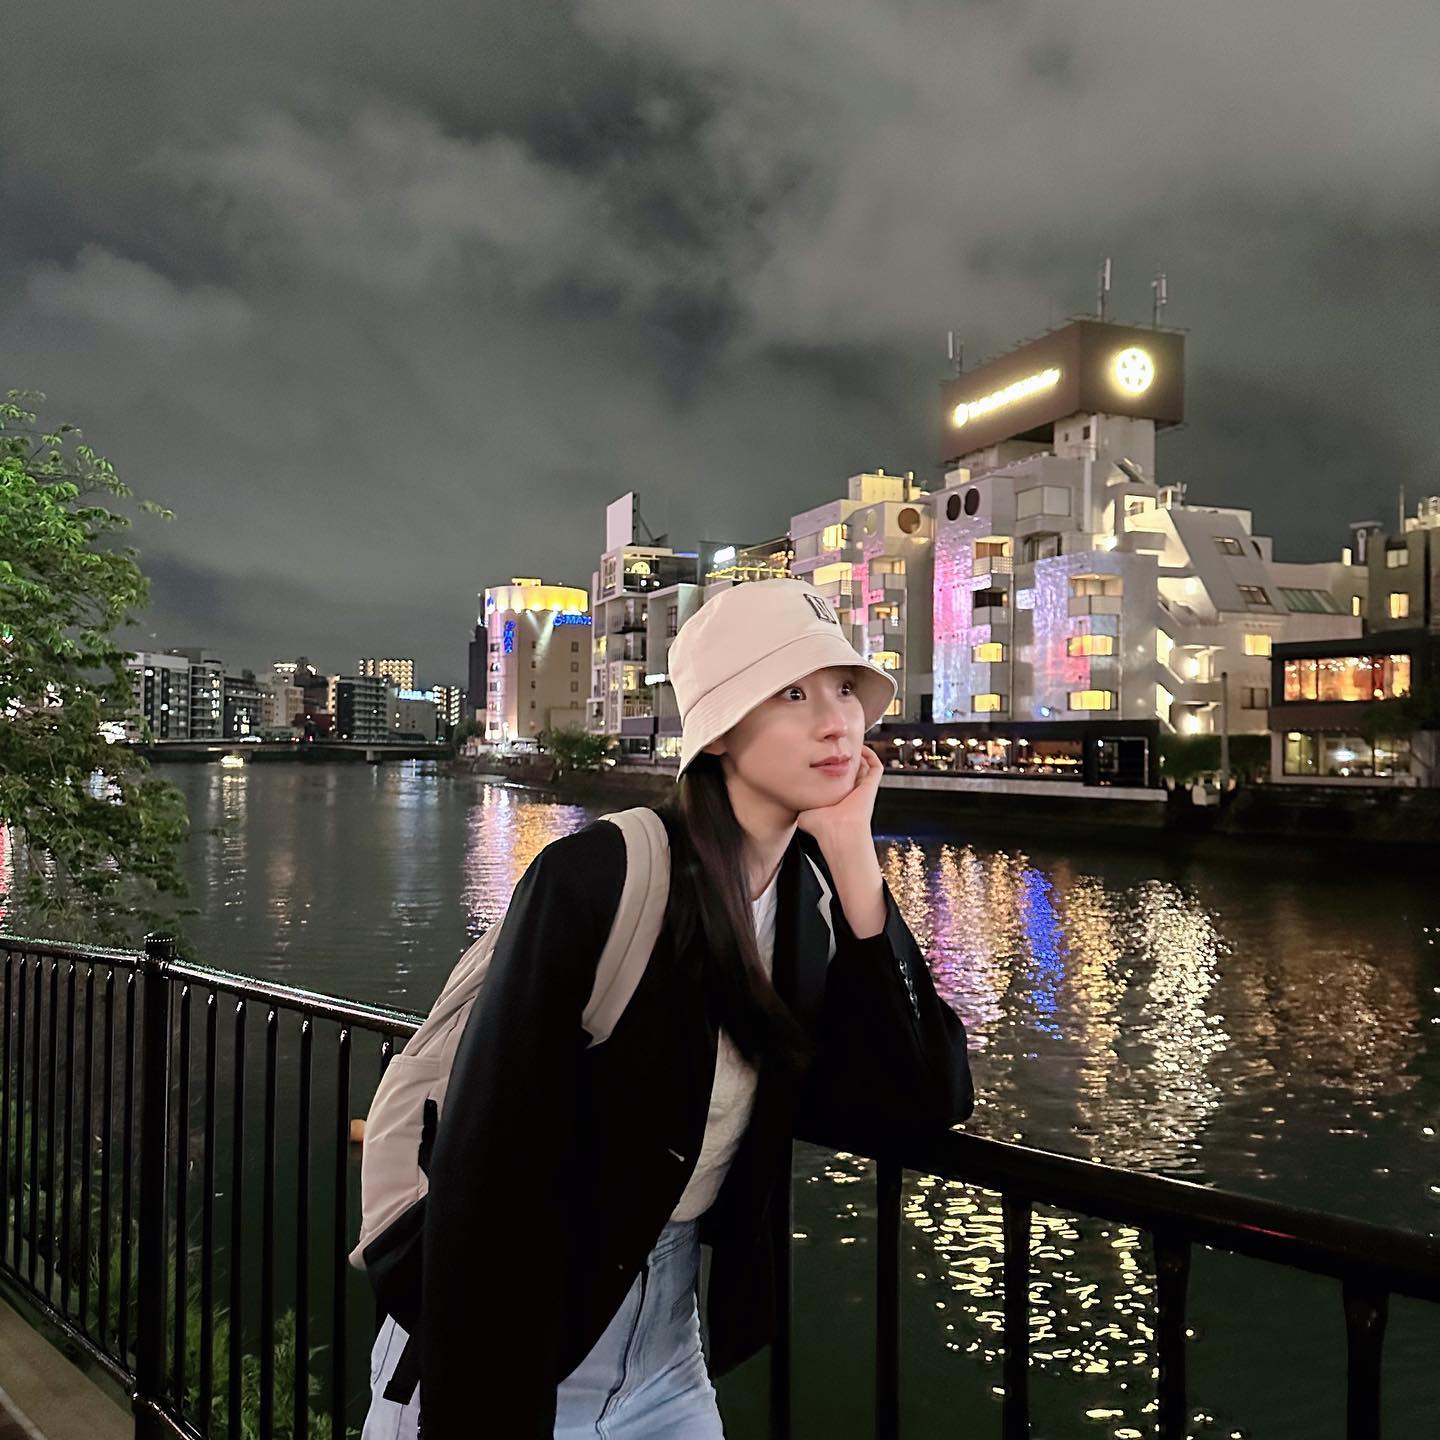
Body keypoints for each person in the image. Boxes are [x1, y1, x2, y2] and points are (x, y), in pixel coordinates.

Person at [372, 578, 975, 1438]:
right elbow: (487, 1167)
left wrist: (853, 854)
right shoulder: (601, 878)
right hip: (510, 1328)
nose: (837, 721)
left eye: (845, 688)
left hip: (668, 1343)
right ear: (720, 730)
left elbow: (929, 1098)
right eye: (793, 694)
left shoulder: (809, 904)